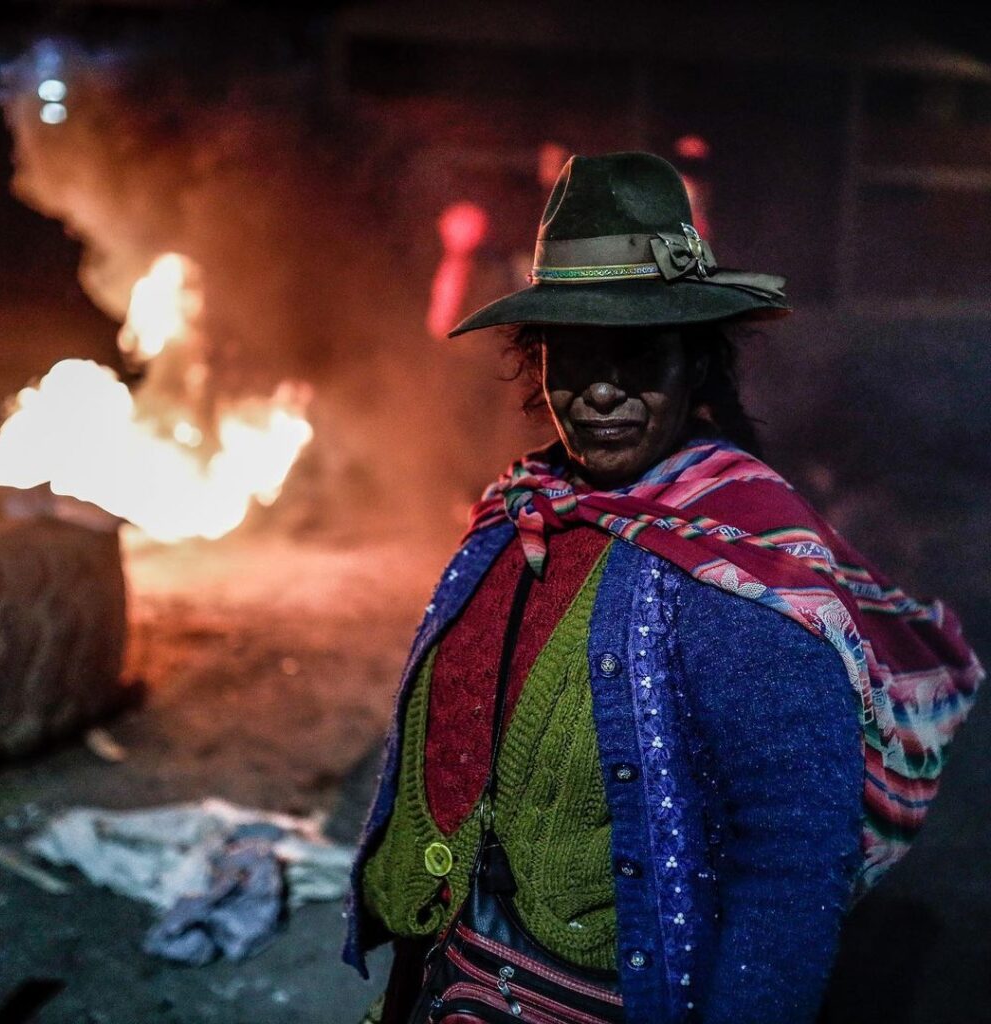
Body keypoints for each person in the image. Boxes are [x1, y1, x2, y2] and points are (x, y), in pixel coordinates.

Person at [342, 153, 983, 1024]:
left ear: (696, 364)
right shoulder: (521, 513)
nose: (602, 389)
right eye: (573, 354)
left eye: (637, 356)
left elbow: (791, 873)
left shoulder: (744, 575)